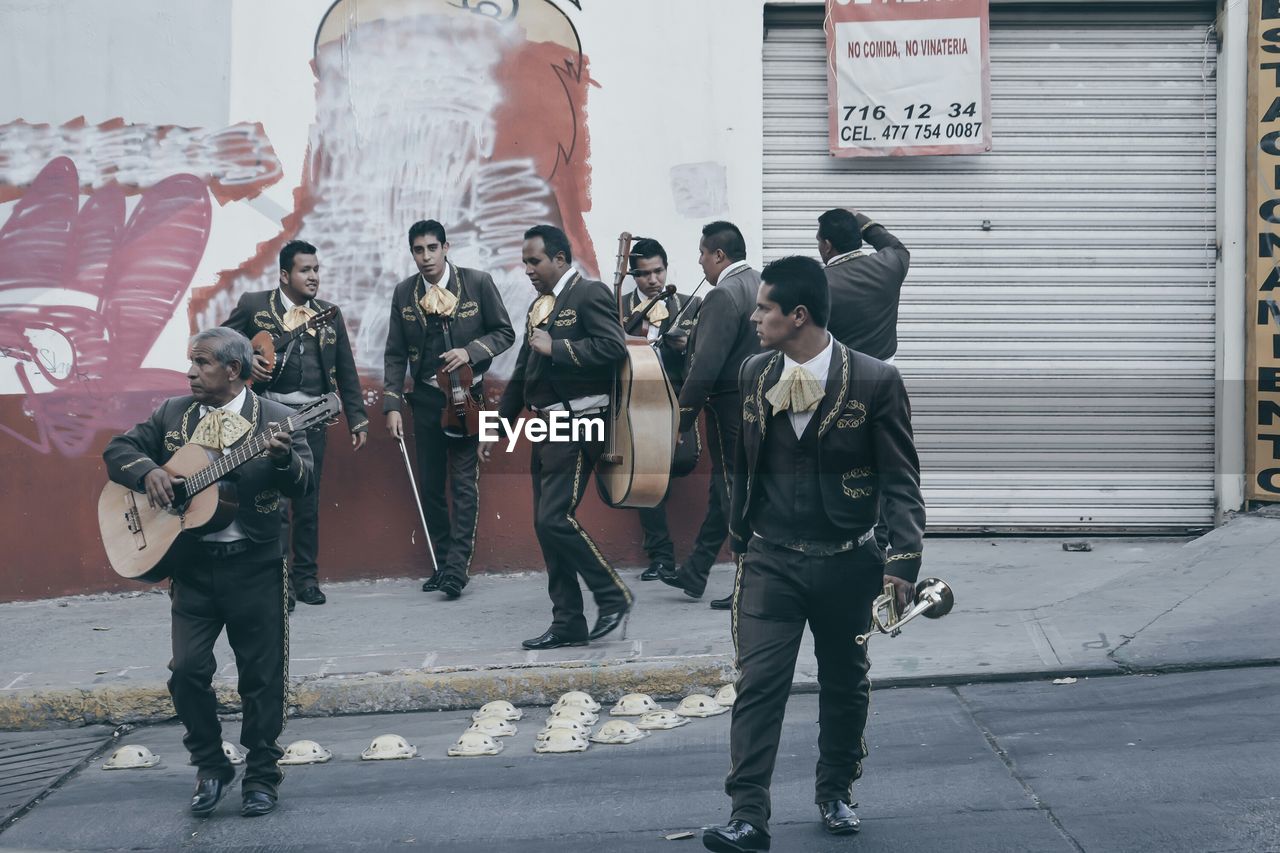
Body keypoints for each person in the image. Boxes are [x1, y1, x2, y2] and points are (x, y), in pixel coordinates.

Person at [700, 256, 925, 852]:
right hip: (771, 558)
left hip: (849, 560)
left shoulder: (877, 379)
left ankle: (835, 792)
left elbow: (901, 479)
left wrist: (901, 562)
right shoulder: (753, 371)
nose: (754, 317)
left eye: (765, 308)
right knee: (758, 684)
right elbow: (743, 459)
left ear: (797, 315)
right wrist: (738, 532)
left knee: (845, 683)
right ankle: (748, 816)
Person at [103, 328, 314, 819]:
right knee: (187, 672)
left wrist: (283, 460)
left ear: (234, 371)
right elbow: (118, 450)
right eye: (191, 362)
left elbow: (304, 485)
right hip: (192, 569)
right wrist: (147, 472)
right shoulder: (172, 414)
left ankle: (262, 775)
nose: (191, 372)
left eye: (202, 364)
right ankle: (210, 763)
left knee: (261, 679)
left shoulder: (278, 420)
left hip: (256, 566)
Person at [497, 224, 631, 650]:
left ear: (559, 258)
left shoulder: (589, 295)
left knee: (555, 518)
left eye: (534, 261)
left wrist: (557, 348)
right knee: (546, 526)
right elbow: (523, 371)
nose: (528, 270)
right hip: (545, 424)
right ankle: (568, 621)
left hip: (579, 421)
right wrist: (499, 425)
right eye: (525, 263)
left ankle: (612, 594)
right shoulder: (541, 306)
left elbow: (614, 349)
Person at [222, 240, 367, 608]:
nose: (314, 277)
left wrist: (358, 419)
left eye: (316, 270)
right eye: (306, 270)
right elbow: (219, 344)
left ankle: (307, 579)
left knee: (308, 504)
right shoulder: (255, 305)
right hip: (267, 421)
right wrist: (246, 360)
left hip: (313, 421)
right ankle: (279, 583)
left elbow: (347, 370)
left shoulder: (329, 313)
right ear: (285, 275)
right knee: (274, 503)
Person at [383, 219, 515, 598]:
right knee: (431, 485)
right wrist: (391, 405)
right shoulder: (403, 293)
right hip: (424, 399)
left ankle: (457, 569)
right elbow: (394, 353)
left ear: (446, 247)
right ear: (412, 253)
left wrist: (469, 352)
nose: (425, 257)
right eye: (418, 250)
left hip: (468, 395)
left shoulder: (477, 282)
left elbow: (505, 332)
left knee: (463, 483)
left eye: (432, 248)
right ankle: (442, 564)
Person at [660, 221, 762, 608]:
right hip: (754, 403)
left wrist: (681, 420)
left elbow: (707, 367)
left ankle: (750, 584)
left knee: (734, 491)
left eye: (703, 253)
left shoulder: (722, 295)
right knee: (727, 489)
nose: (700, 261)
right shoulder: (759, 283)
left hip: (727, 406)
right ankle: (696, 570)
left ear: (719, 254)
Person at [621, 237, 700, 582]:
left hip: (675, 400)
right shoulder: (618, 306)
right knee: (644, 478)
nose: (652, 280)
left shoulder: (690, 304)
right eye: (643, 274)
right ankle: (662, 557)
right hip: (632, 401)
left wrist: (685, 347)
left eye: (658, 271)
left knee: (675, 466)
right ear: (632, 276)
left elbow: (703, 360)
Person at [817, 208, 910, 362]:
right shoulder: (892, 264)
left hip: (841, 374)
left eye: (819, 241)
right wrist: (861, 220)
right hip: (885, 372)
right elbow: (897, 246)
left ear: (827, 245)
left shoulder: (817, 283)